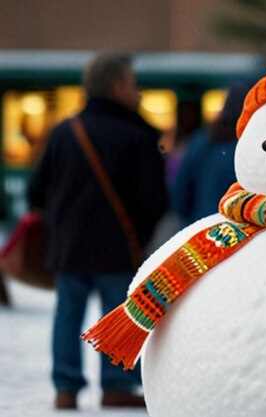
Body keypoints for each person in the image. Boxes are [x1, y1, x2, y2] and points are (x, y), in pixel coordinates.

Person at [27, 53, 168, 410]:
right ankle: (116, 384)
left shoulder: (63, 132)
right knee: (116, 317)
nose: (136, 93)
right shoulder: (138, 135)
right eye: (132, 84)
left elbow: (35, 193)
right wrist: (138, 234)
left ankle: (66, 388)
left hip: (68, 248)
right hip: (118, 248)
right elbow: (154, 199)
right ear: (117, 86)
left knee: (67, 314)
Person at [171, 83, 248, 226]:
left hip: (201, 230)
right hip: (242, 234)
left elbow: (180, 197)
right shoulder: (254, 148)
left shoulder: (200, 141)